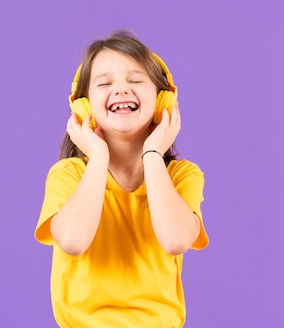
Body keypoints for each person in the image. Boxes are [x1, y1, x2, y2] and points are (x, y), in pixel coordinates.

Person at [34, 30, 209, 328]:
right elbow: (73, 241)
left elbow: (177, 240)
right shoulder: (68, 175)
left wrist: (153, 152)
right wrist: (98, 157)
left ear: (161, 100)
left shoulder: (182, 175)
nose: (121, 90)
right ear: (84, 105)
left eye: (136, 80)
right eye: (104, 83)